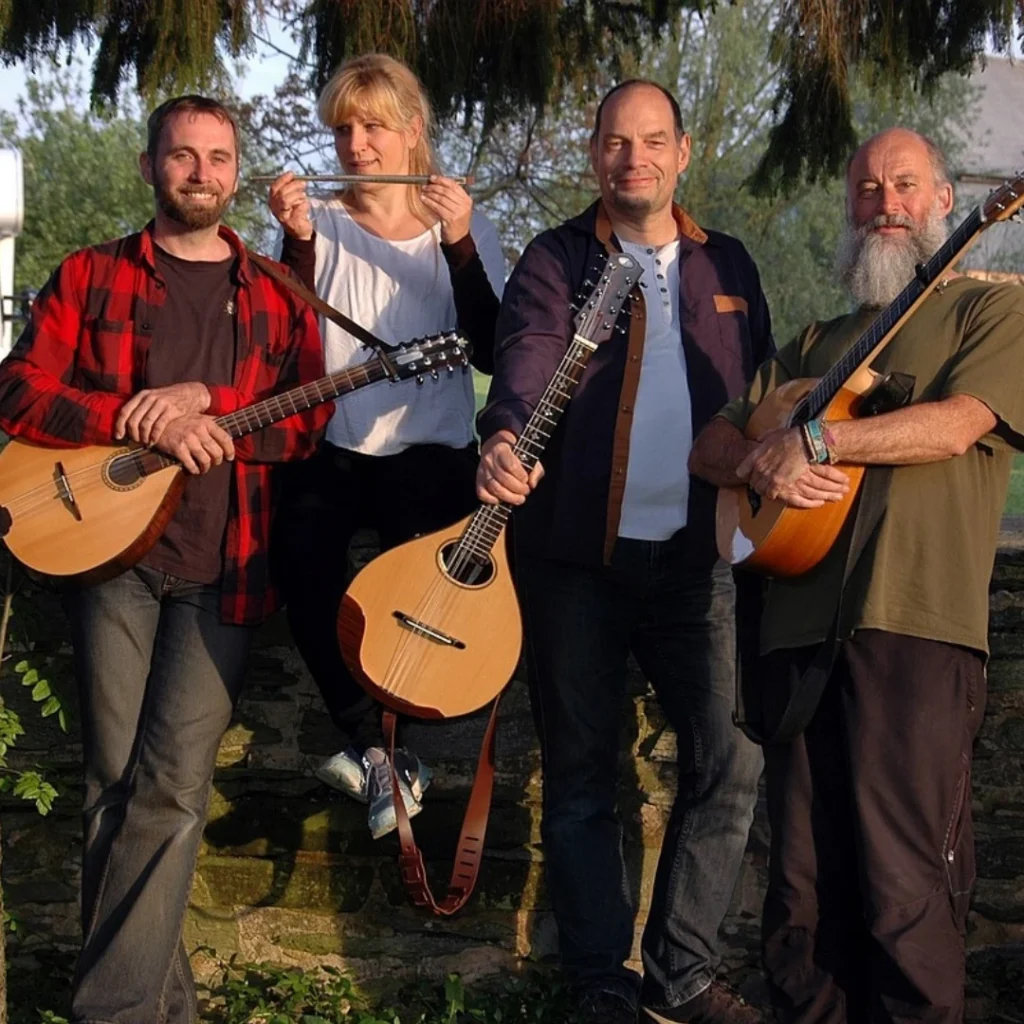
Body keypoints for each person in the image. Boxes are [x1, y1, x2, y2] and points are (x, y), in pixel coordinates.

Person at [0, 95, 329, 1024]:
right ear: (150, 169)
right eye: (182, 156)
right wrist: (126, 416)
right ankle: (157, 1008)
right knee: (114, 785)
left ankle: (110, 1012)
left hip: (228, 563)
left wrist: (209, 401)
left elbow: (308, 419)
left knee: (175, 789)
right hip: (111, 558)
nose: (201, 173)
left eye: (218, 158)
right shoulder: (92, 275)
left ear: (235, 172)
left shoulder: (276, 292)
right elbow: (15, 388)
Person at [688, 127, 1024, 1024]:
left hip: (913, 628)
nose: (885, 204)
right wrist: (765, 457)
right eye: (868, 190)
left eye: (905, 186)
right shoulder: (814, 342)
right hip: (794, 630)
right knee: (800, 891)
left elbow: (954, 426)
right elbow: (710, 445)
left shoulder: (992, 313)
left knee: (906, 885)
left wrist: (820, 439)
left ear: (948, 203)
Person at [476, 79, 770, 1024]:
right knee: (579, 773)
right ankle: (601, 979)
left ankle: (681, 972)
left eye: (651, 141)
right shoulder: (556, 259)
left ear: (682, 152)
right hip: (574, 562)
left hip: (702, 562)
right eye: (614, 141)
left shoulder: (730, 264)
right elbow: (523, 358)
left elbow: (759, 397)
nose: (632, 157)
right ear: (594, 154)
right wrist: (504, 437)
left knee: (731, 760)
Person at [266, 53, 505, 840]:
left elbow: (493, 348)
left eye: (372, 126)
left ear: (412, 130)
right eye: (342, 128)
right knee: (301, 562)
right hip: (333, 444)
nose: (356, 145)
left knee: (431, 595)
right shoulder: (320, 225)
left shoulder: (462, 225)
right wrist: (294, 243)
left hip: (433, 447)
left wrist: (463, 242)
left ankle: (392, 751)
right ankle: (374, 751)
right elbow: (278, 338)